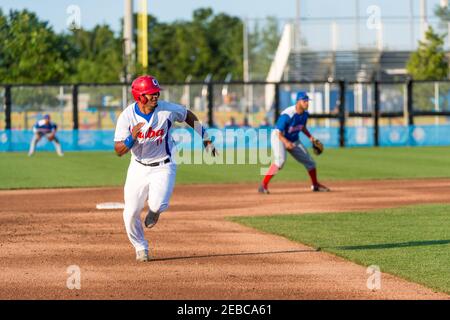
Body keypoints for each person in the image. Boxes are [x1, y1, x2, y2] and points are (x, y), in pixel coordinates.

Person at [114, 75, 217, 262]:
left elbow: (187, 115)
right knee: (130, 212)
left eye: (157, 93)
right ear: (140, 96)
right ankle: (140, 247)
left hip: (164, 165)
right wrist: (131, 137)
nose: (156, 96)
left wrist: (205, 136)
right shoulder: (127, 116)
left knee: (158, 205)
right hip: (138, 167)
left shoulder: (167, 109)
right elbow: (118, 150)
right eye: (151, 94)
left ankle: (155, 212)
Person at [258, 91, 330, 194]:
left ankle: (315, 185)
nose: (307, 103)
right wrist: (286, 143)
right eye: (304, 101)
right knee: (280, 161)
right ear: (298, 101)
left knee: (311, 163)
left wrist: (310, 137)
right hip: (279, 137)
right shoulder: (287, 115)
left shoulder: (305, 114)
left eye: (307, 101)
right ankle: (263, 186)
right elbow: (278, 132)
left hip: (293, 139)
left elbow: (302, 127)